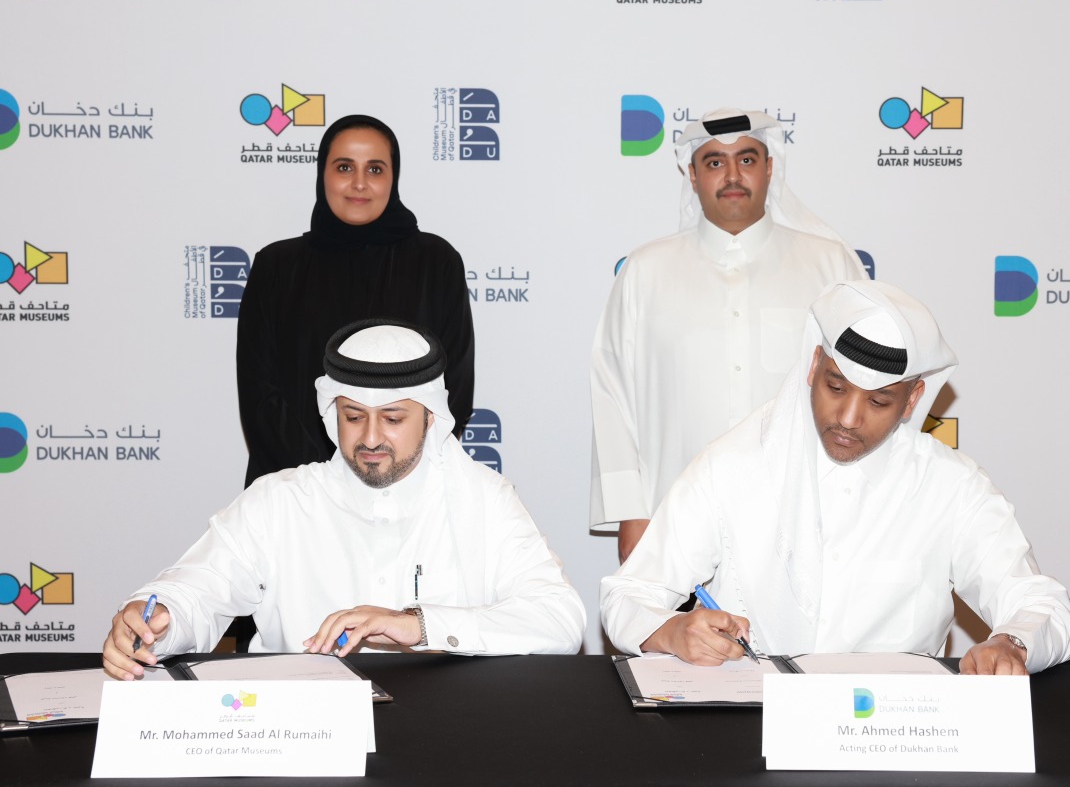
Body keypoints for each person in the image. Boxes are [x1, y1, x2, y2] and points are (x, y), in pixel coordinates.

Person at [600, 280, 1070, 675]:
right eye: (835, 387)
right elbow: (628, 595)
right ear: (814, 366)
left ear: (912, 400)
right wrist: (671, 631)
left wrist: (1012, 642)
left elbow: (1040, 602)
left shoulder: (950, 486)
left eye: (878, 401)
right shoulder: (730, 466)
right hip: (753, 725)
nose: (848, 419)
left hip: (899, 735)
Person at [103, 320, 584, 680]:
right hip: (297, 738)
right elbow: (197, 589)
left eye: (393, 418)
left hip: (447, 737)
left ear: (431, 417)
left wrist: (418, 625)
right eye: (354, 417)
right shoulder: (280, 501)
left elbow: (560, 620)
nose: (370, 438)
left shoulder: (484, 500)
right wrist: (158, 619)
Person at [591, 108, 867, 562]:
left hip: (806, 523)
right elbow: (613, 395)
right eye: (715, 162)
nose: (733, 175)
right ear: (693, 175)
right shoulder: (646, 271)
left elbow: (865, 393)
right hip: (675, 521)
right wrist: (630, 513)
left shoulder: (829, 265)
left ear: (770, 168)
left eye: (747, 159)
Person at [237, 114, 475, 488]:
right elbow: (260, 396)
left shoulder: (436, 263)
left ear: (393, 178)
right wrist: (326, 483)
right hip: (295, 491)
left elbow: (453, 390)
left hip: (409, 488)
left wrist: (386, 477)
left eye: (375, 169)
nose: (359, 183)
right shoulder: (276, 268)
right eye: (344, 167)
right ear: (323, 175)